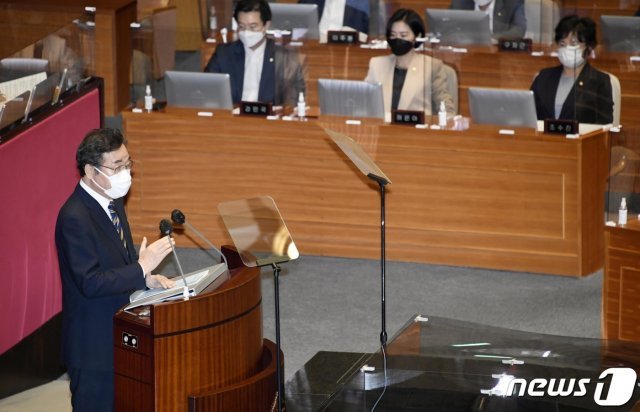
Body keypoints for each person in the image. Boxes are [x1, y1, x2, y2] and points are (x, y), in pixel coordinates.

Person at [55, 128, 175, 411]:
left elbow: (116, 261)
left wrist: (145, 278)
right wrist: (141, 265)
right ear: (90, 171)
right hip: (93, 345)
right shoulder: (74, 217)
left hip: (120, 332)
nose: (126, 173)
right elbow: (91, 282)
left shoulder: (112, 201)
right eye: (117, 166)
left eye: (128, 163)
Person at [204, 0, 306, 107]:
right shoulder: (224, 54)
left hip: (269, 119)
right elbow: (207, 89)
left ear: (266, 25)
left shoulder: (284, 57)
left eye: (253, 27)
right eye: (242, 27)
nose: (247, 32)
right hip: (233, 118)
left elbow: (294, 100)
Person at [365, 9, 455, 118]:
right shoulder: (377, 64)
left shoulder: (431, 67)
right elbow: (365, 103)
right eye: (393, 35)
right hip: (382, 129)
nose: (398, 39)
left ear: (416, 37)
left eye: (403, 35)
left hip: (417, 132)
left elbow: (447, 108)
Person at [530, 15, 613, 124]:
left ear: (588, 47)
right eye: (562, 44)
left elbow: (605, 127)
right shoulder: (543, 76)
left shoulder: (600, 81)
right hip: (544, 140)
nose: (567, 49)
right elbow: (528, 115)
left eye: (573, 44)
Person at [450, 0, 526, 40]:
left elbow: (519, 29)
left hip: (500, 56)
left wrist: (493, 39)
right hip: (468, 54)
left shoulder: (512, 2)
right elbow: (448, 28)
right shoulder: (459, 2)